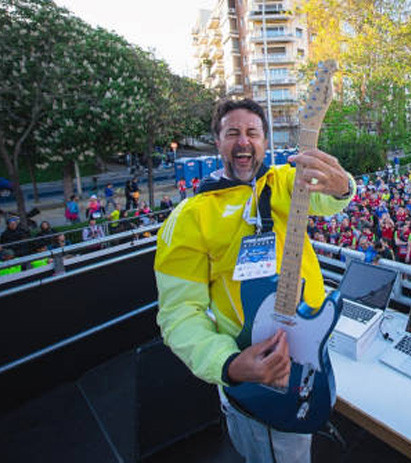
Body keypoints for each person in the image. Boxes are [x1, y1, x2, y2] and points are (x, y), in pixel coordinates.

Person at [154, 99, 355, 462]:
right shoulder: (188, 218)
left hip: (308, 355)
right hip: (250, 375)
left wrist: (342, 186)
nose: (243, 141)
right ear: (217, 142)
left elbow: (326, 197)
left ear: (266, 141)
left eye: (252, 133)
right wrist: (228, 364)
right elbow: (179, 314)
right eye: (233, 133)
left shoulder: (282, 182)